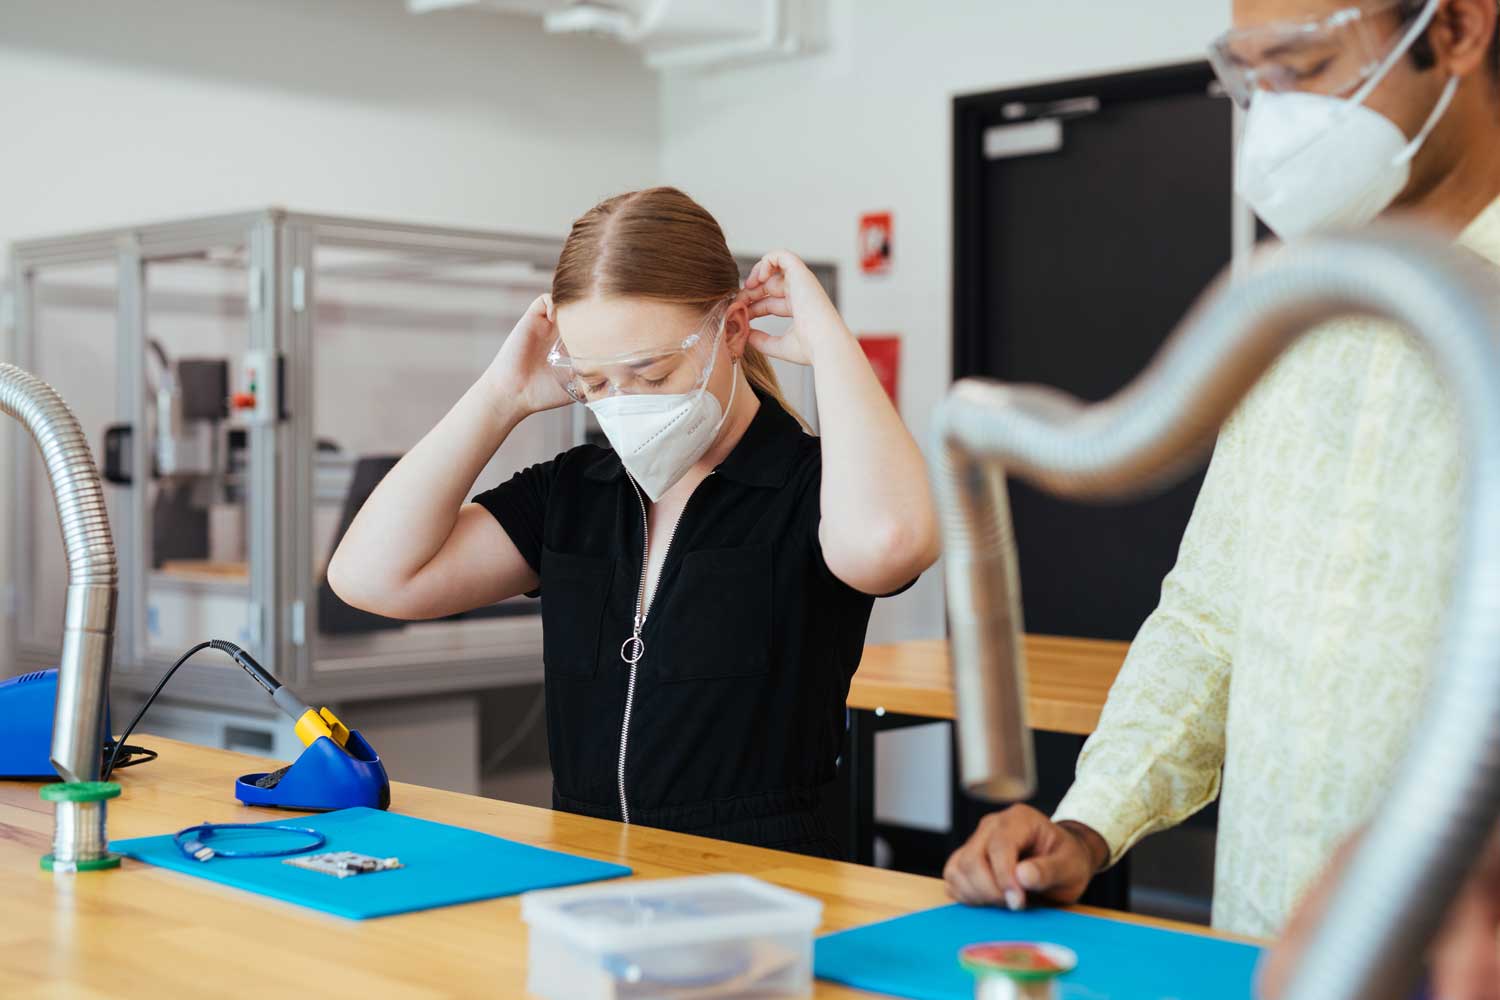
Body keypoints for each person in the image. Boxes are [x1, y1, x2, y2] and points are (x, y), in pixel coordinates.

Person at [944, 0, 1500, 939]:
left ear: (1455, 30)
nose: (1277, 120)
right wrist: (1088, 824)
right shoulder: (1288, 306)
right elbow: (1210, 621)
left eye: (1305, 67)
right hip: (1263, 941)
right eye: (1253, 79)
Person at [328, 186, 938, 858]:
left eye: (652, 374)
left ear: (733, 330)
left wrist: (831, 345)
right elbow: (372, 578)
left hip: (767, 883)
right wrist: (500, 396)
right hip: (587, 876)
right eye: (594, 382)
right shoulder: (574, 491)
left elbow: (890, 544)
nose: (623, 405)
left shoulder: (813, 487)